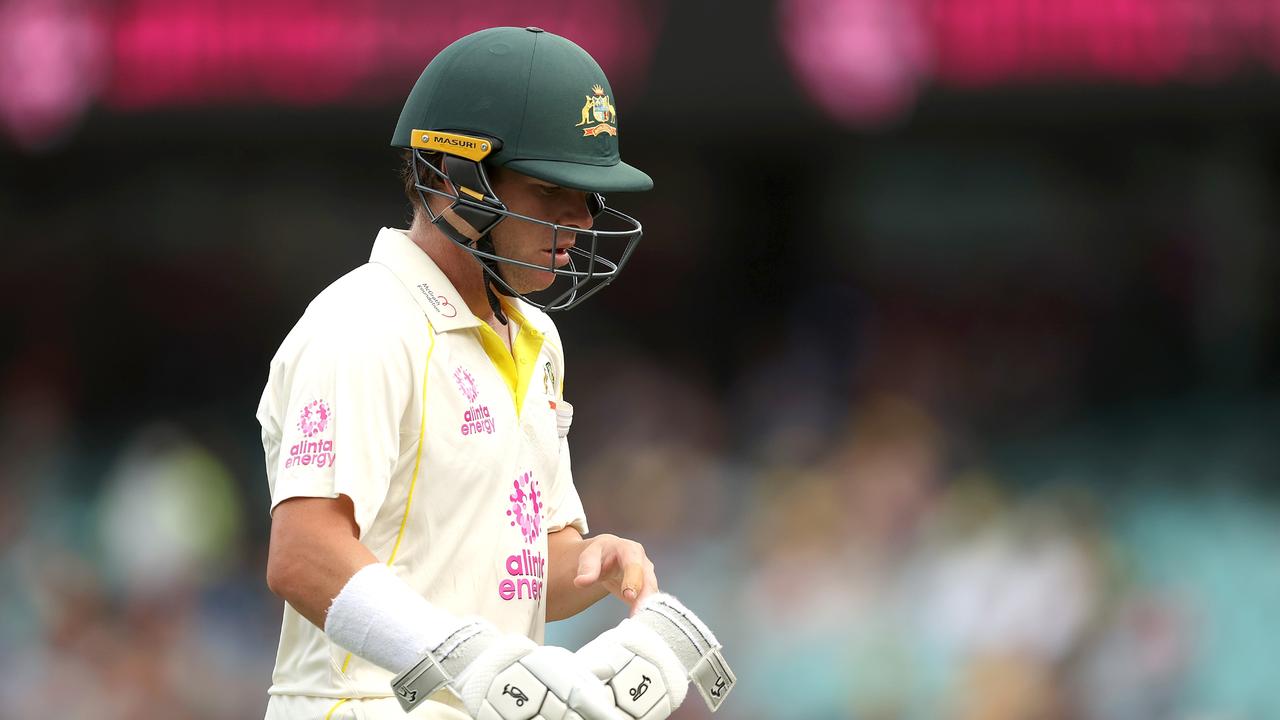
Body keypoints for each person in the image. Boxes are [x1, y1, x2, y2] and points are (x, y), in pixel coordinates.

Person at [257, 27, 733, 720]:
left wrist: (593, 564)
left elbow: (525, 563)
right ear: (455, 178)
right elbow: (302, 554)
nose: (578, 221)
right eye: (550, 191)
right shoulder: (363, 322)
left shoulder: (536, 336)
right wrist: (464, 655)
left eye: (587, 194)